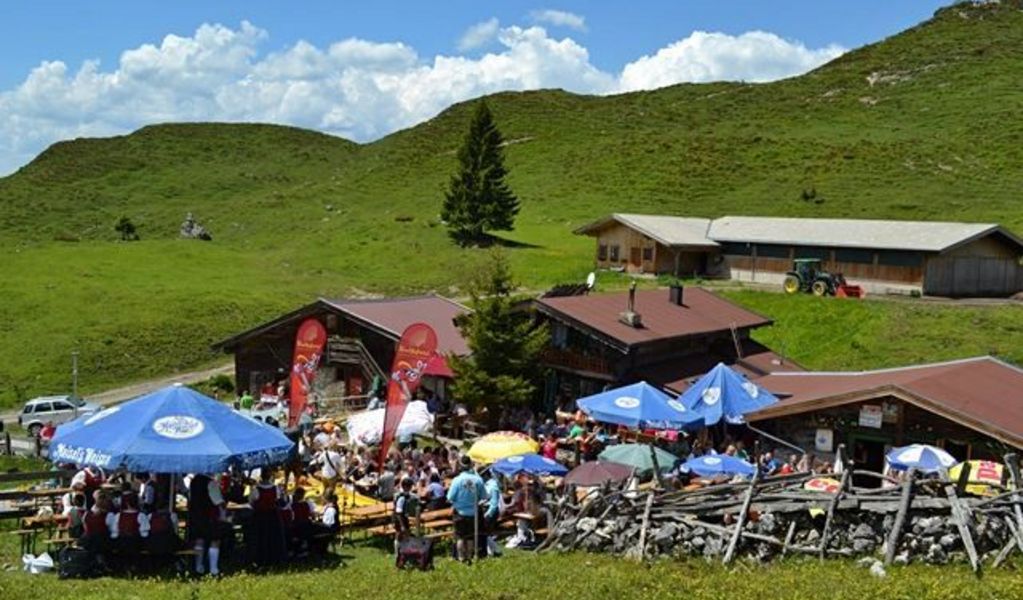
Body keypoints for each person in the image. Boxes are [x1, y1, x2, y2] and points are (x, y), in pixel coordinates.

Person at [446, 455, 486, 562]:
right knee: (470, 537)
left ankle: (461, 557)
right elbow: (484, 496)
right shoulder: (478, 480)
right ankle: (469, 557)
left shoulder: (457, 480)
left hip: (459, 512)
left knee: (460, 537)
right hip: (473, 512)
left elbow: (450, 497)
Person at [189, 472, 226, 576]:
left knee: (199, 540)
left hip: (196, 516)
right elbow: (218, 501)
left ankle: (198, 567)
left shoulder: (194, 481)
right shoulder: (211, 483)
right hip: (210, 516)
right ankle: (213, 569)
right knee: (215, 540)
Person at [248, 469, 286, 567]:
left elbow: (251, 502)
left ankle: (260, 559)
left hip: (260, 516)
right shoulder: (275, 489)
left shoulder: (256, 489)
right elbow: (278, 500)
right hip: (273, 516)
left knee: (260, 538)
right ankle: (274, 558)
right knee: (273, 538)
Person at [393, 477, 420, 552]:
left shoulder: (406, 495)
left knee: (405, 534)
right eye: (410, 486)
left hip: (404, 517)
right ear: (405, 486)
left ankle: (404, 551)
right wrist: (402, 525)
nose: (411, 488)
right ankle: (398, 552)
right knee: (399, 534)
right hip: (400, 518)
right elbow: (398, 512)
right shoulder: (401, 497)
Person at [483, 470, 503, 558]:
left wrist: (488, 514)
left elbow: (494, 503)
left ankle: (493, 551)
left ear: (486, 475)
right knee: (484, 532)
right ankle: (494, 551)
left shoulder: (493, 485)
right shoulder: (485, 484)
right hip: (485, 508)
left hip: (491, 511)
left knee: (484, 532)